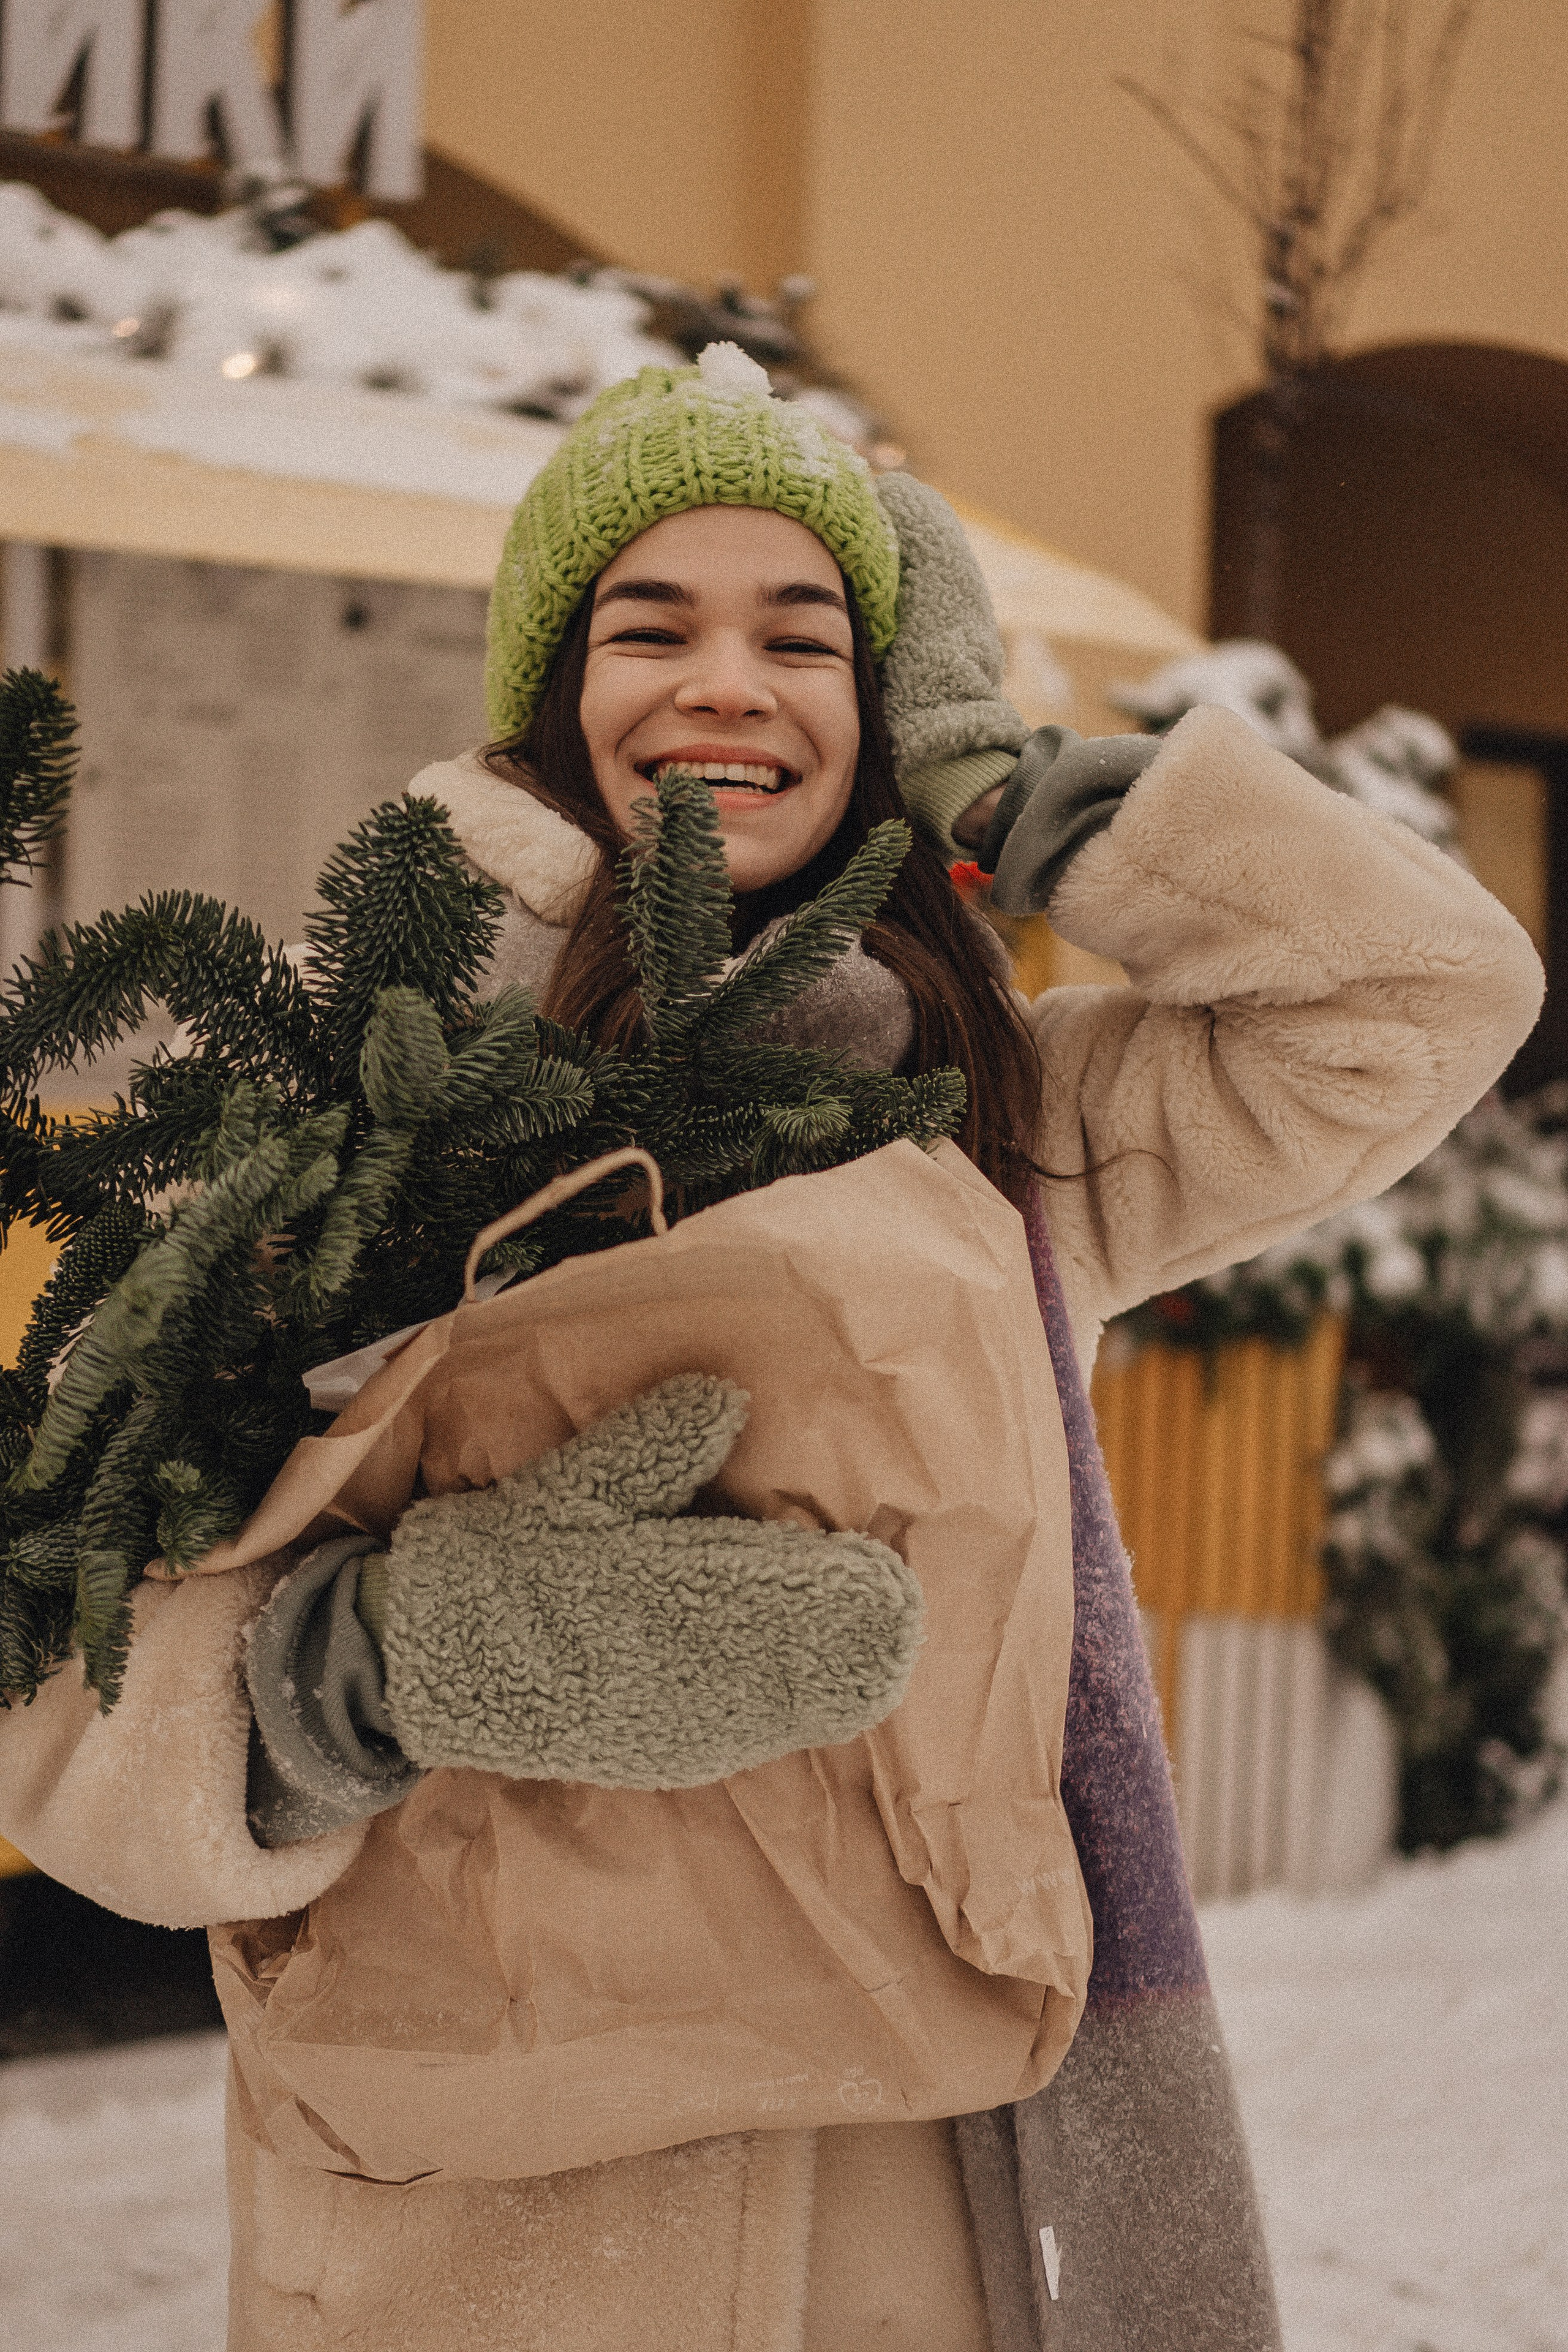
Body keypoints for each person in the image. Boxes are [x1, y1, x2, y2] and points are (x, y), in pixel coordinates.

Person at [0, 345, 1542, 2352]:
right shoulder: (351, 1093)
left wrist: (1005, 785)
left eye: (804, 640)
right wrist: (369, 1666)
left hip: (891, 2222)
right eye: (651, 626)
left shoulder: (1014, 1136)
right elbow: (61, 1662)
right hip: (469, 2234)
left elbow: (1420, 995)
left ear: (876, 709)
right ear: (553, 699)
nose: (727, 684)